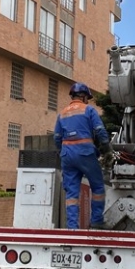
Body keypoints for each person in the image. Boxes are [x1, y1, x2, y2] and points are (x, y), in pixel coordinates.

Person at [53, 82, 112, 229]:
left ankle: (72, 228)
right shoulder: (88, 110)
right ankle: (97, 221)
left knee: (72, 193)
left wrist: (64, 150)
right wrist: (106, 149)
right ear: (84, 96)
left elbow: (56, 137)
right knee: (97, 186)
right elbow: (99, 130)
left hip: (67, 155)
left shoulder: (62, 113)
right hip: (85, 153)